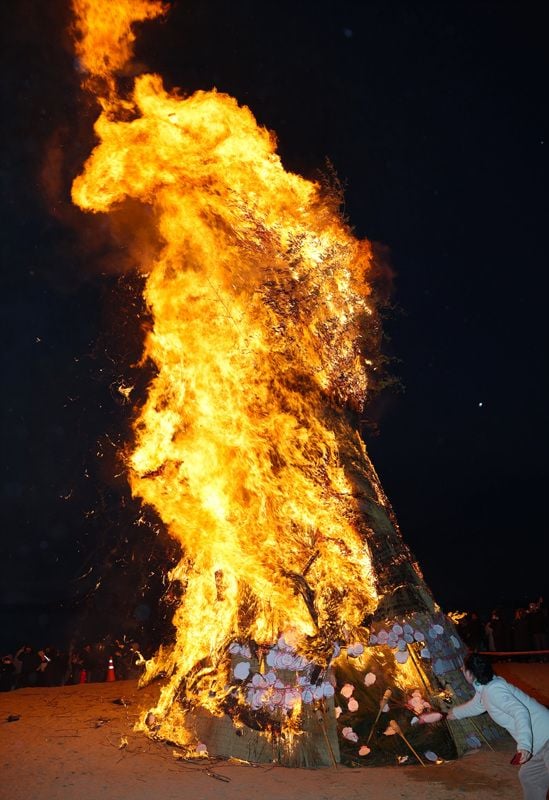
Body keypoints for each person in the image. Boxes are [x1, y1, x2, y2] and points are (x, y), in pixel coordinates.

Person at [447, 652, 549, 800]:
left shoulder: (494, 690)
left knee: (531, 776)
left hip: (546, 737)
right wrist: (454, 713)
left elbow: (520, 712)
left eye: (463, 668)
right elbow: (477, 705)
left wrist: (524, 745)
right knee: (529, 776)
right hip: (540, 743)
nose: (461, 669)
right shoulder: (485, 688)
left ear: (470, 673)